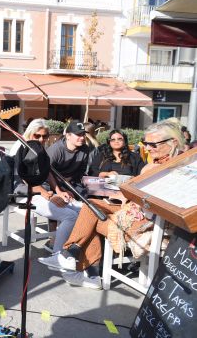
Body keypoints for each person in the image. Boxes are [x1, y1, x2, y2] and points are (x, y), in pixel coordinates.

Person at [53, 119, 185, 289]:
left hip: (143, 222)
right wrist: (124, 195)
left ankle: (82, 264)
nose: (148, 148)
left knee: (90, 216)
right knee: (91, 204)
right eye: (146, 144)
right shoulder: (151, 165)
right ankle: (73, 257)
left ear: (172, 142)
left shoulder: (176, 169)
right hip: (129, 207)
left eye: (153, 144)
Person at [36, 120, 90, 268]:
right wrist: (58, 191)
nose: (82, 138)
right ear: (68, 135)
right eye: (78, 135)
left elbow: (78, 173)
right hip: (47, 188)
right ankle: (58, 252)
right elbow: (46, 172)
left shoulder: (85, 150)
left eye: (83, 134)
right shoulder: (56, 150)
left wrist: (70, 189)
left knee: (86, 211)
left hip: (68, 186)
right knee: (70, 214)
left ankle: (72, 248)